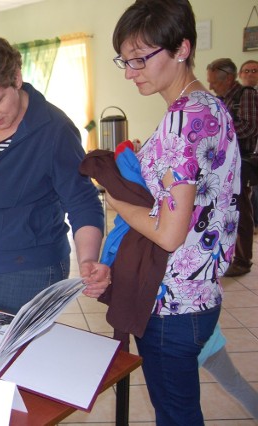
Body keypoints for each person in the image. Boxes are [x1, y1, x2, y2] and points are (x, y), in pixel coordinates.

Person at [106, 1, 241, 424]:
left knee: (176, 415)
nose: (130, 73)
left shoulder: (181, 122)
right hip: (203, 294)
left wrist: (117, 201)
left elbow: (167, 234)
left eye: (140, 60)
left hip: (173, 305)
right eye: (125, 62)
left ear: (181, 48)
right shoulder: (211, 105)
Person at [0, 37, 109, 316]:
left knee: (19, 355)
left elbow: (82, 202)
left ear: (16, 78)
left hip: (28, 271)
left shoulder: (53, 130)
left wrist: (88, 259)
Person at [206, 58, 258, 276]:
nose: (210, 86)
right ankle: (228, 256)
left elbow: (250, 126)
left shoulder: (245, 95)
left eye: (214, 83)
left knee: (241, 211)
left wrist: (220, 130)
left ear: (228, 78)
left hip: (241, 161)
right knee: (226, 210)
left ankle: (243, 261)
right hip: (226, 162)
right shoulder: (223, 99)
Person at [239, 60, 258, 234]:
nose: (250, 74)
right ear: (240, 75)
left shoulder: (249, 95)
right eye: (246, 70)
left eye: (254, 70)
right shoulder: (240, 96)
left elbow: (250, 128)